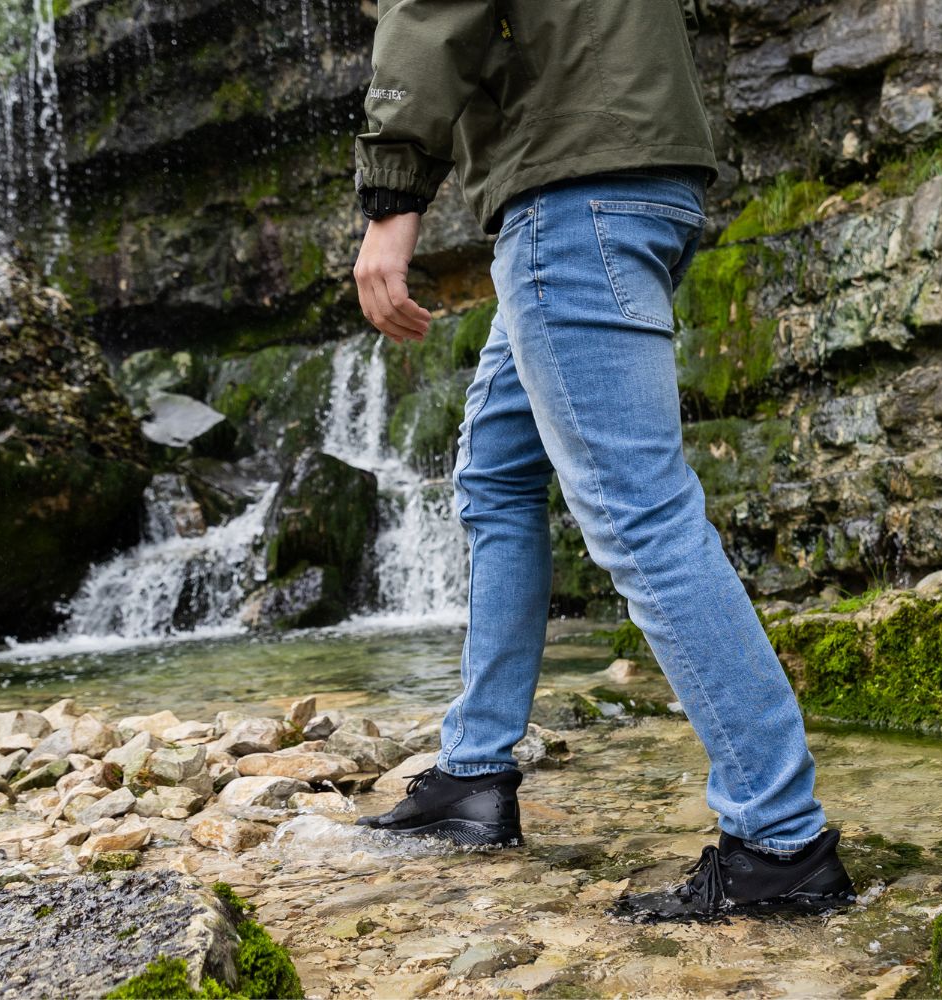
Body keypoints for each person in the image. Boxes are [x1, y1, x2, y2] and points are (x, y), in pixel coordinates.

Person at [348, 0, 855, 921]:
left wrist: (391, 202)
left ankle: (781, 839)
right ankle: (474, 773)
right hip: (629, 176)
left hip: (572, 197)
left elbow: (429, 12)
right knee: (498, 474)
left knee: (640, 516)